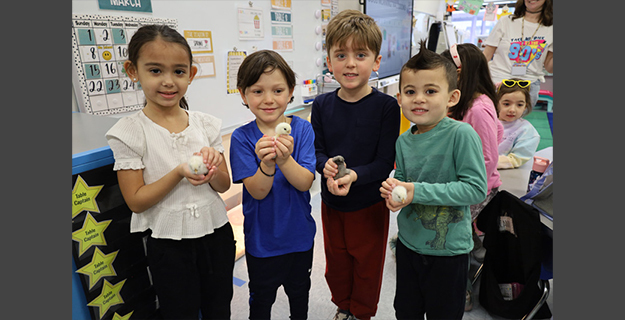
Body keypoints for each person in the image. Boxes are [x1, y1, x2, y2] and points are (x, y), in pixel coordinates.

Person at [105, 25, 235, 319]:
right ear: (133, 71)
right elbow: (136, 200)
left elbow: (224, 185)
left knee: (219, 306)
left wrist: (213, 168)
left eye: (178, 71)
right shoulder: (130, 132)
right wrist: (178, 172)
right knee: (180, 311)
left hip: (216, 235)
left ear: (191, 74)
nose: (168, 81)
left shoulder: (206, 124)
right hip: (168, 245)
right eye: (155, 71)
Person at [380, 40, 488, 320]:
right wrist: (395, 193)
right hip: (408, 245)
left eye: (430, 91)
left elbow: (475, 189)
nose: (419, 98)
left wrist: (415, 191)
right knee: (406, 311)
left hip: (449, 252)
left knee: (443, 314)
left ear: (452, 97)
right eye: (410, 91)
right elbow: (404, 180)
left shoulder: (461, 135)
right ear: (399, 97)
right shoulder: (403, 141)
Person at [310, 9, 400, 320]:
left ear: (375, 62)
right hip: (332, 203)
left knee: (367, 265)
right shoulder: (321, 105)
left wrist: (354, 175)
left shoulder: (387, 107)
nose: (350, 63)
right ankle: (342, 306)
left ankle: (361, 313)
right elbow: (317, 151)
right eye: (341, 54)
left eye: (360, 54)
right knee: (336, 263)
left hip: (369, 204)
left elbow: (384, 161)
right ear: (329, 61)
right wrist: (325, 168)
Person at [229, 49, 317, 320]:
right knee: (261, 298)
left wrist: (285, 159)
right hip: (262, 241)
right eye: (257, 91)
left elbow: (304, 183)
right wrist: (267, 164)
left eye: (278, 90)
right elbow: (257, 190)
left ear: (291, 92)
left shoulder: (302, 130)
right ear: (243, 94)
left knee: (299, 293)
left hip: (299, 238)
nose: (268, 99)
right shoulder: (241, 138)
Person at [441, 42, 503, 311]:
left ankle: (461, 291)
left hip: (476, 189)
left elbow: (487, 159)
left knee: (456, 240)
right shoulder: (467, 102)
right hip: (465, 185)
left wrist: (463, 192)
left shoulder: (477, 107)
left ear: (461, 72)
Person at [483, 0, 553, 109]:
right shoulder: (506, 21)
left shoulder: (551, 28)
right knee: (491, 121)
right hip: (498, 82)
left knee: (515, 124)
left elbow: (550, 68)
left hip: (528, 86)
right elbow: (486, 55)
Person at [496, 78, 541, 169]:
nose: (512, 110)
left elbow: (517, 159)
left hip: (508, 173)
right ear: (496, 103)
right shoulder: (486, 121)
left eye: (519, 105)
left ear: (525, 107)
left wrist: (489, 164)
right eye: (506, 104)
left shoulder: (527, 131)